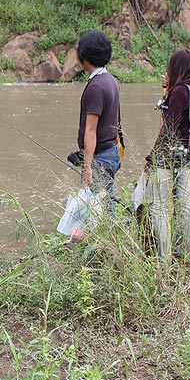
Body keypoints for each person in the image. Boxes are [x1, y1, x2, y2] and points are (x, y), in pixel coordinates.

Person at [146, 48, 190, 258]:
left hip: (169, 154)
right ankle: (183, 251)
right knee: (184, 201)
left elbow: (167, 128)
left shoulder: (180, 92)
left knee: (160, 205)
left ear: (176, 68)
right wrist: (166, 93)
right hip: (188, 152)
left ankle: (164, 256)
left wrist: (151, 157)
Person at [67, 30, 122, 242]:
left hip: (101, 157)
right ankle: (107, 247)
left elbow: (91, 130)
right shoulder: (111, 81)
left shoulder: (96, 87)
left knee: (100, 210)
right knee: (103, 204)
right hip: (111, 152)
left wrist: (87, 166)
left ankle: (108, 250)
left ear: (85, 56)